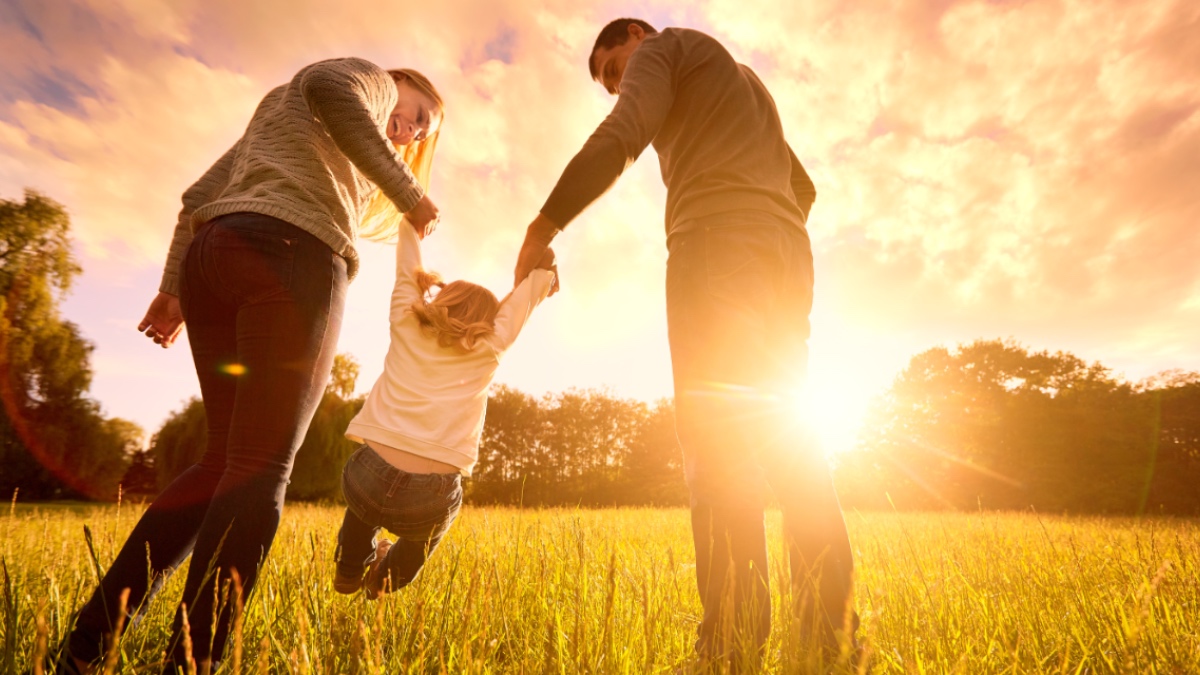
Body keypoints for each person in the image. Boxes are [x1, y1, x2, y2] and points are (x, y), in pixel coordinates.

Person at [55, 58, 445, 675]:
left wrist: (173, 286)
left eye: (424, 133)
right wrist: (410, 194)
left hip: (214, 257)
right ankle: (193, 661)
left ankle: (85, 646)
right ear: (398, 83)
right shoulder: (364, 77)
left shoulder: (284, 118)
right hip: (293, 256)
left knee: (222, 464)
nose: (415, 130)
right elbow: (329, 85)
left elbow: (197, 198)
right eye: (419, 113)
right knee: (261, 468)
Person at [512, 18, 857, 665]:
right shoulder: (744, 80)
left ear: (638, 37)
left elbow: (624, 133)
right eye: (611, 81)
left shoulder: (665, 50)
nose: (619, 86)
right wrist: (763, 223)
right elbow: (802, 186)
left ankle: (729, 645)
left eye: (616, 69)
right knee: (792, 440)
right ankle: (829, 639)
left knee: (718, 442)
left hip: (715, 244)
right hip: (786, 254)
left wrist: (544, 222)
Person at [331, 215, 557, 601]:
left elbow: (407, 269)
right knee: (423, 537)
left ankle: (350, 568)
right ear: (489, 321)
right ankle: (385, 580)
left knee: (363, 507)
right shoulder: (491, 345)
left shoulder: (406, 321)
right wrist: (544, 272)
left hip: (368, 473)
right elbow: (525, 300)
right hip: (430, 494)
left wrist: (410, 224)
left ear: (441, 299)